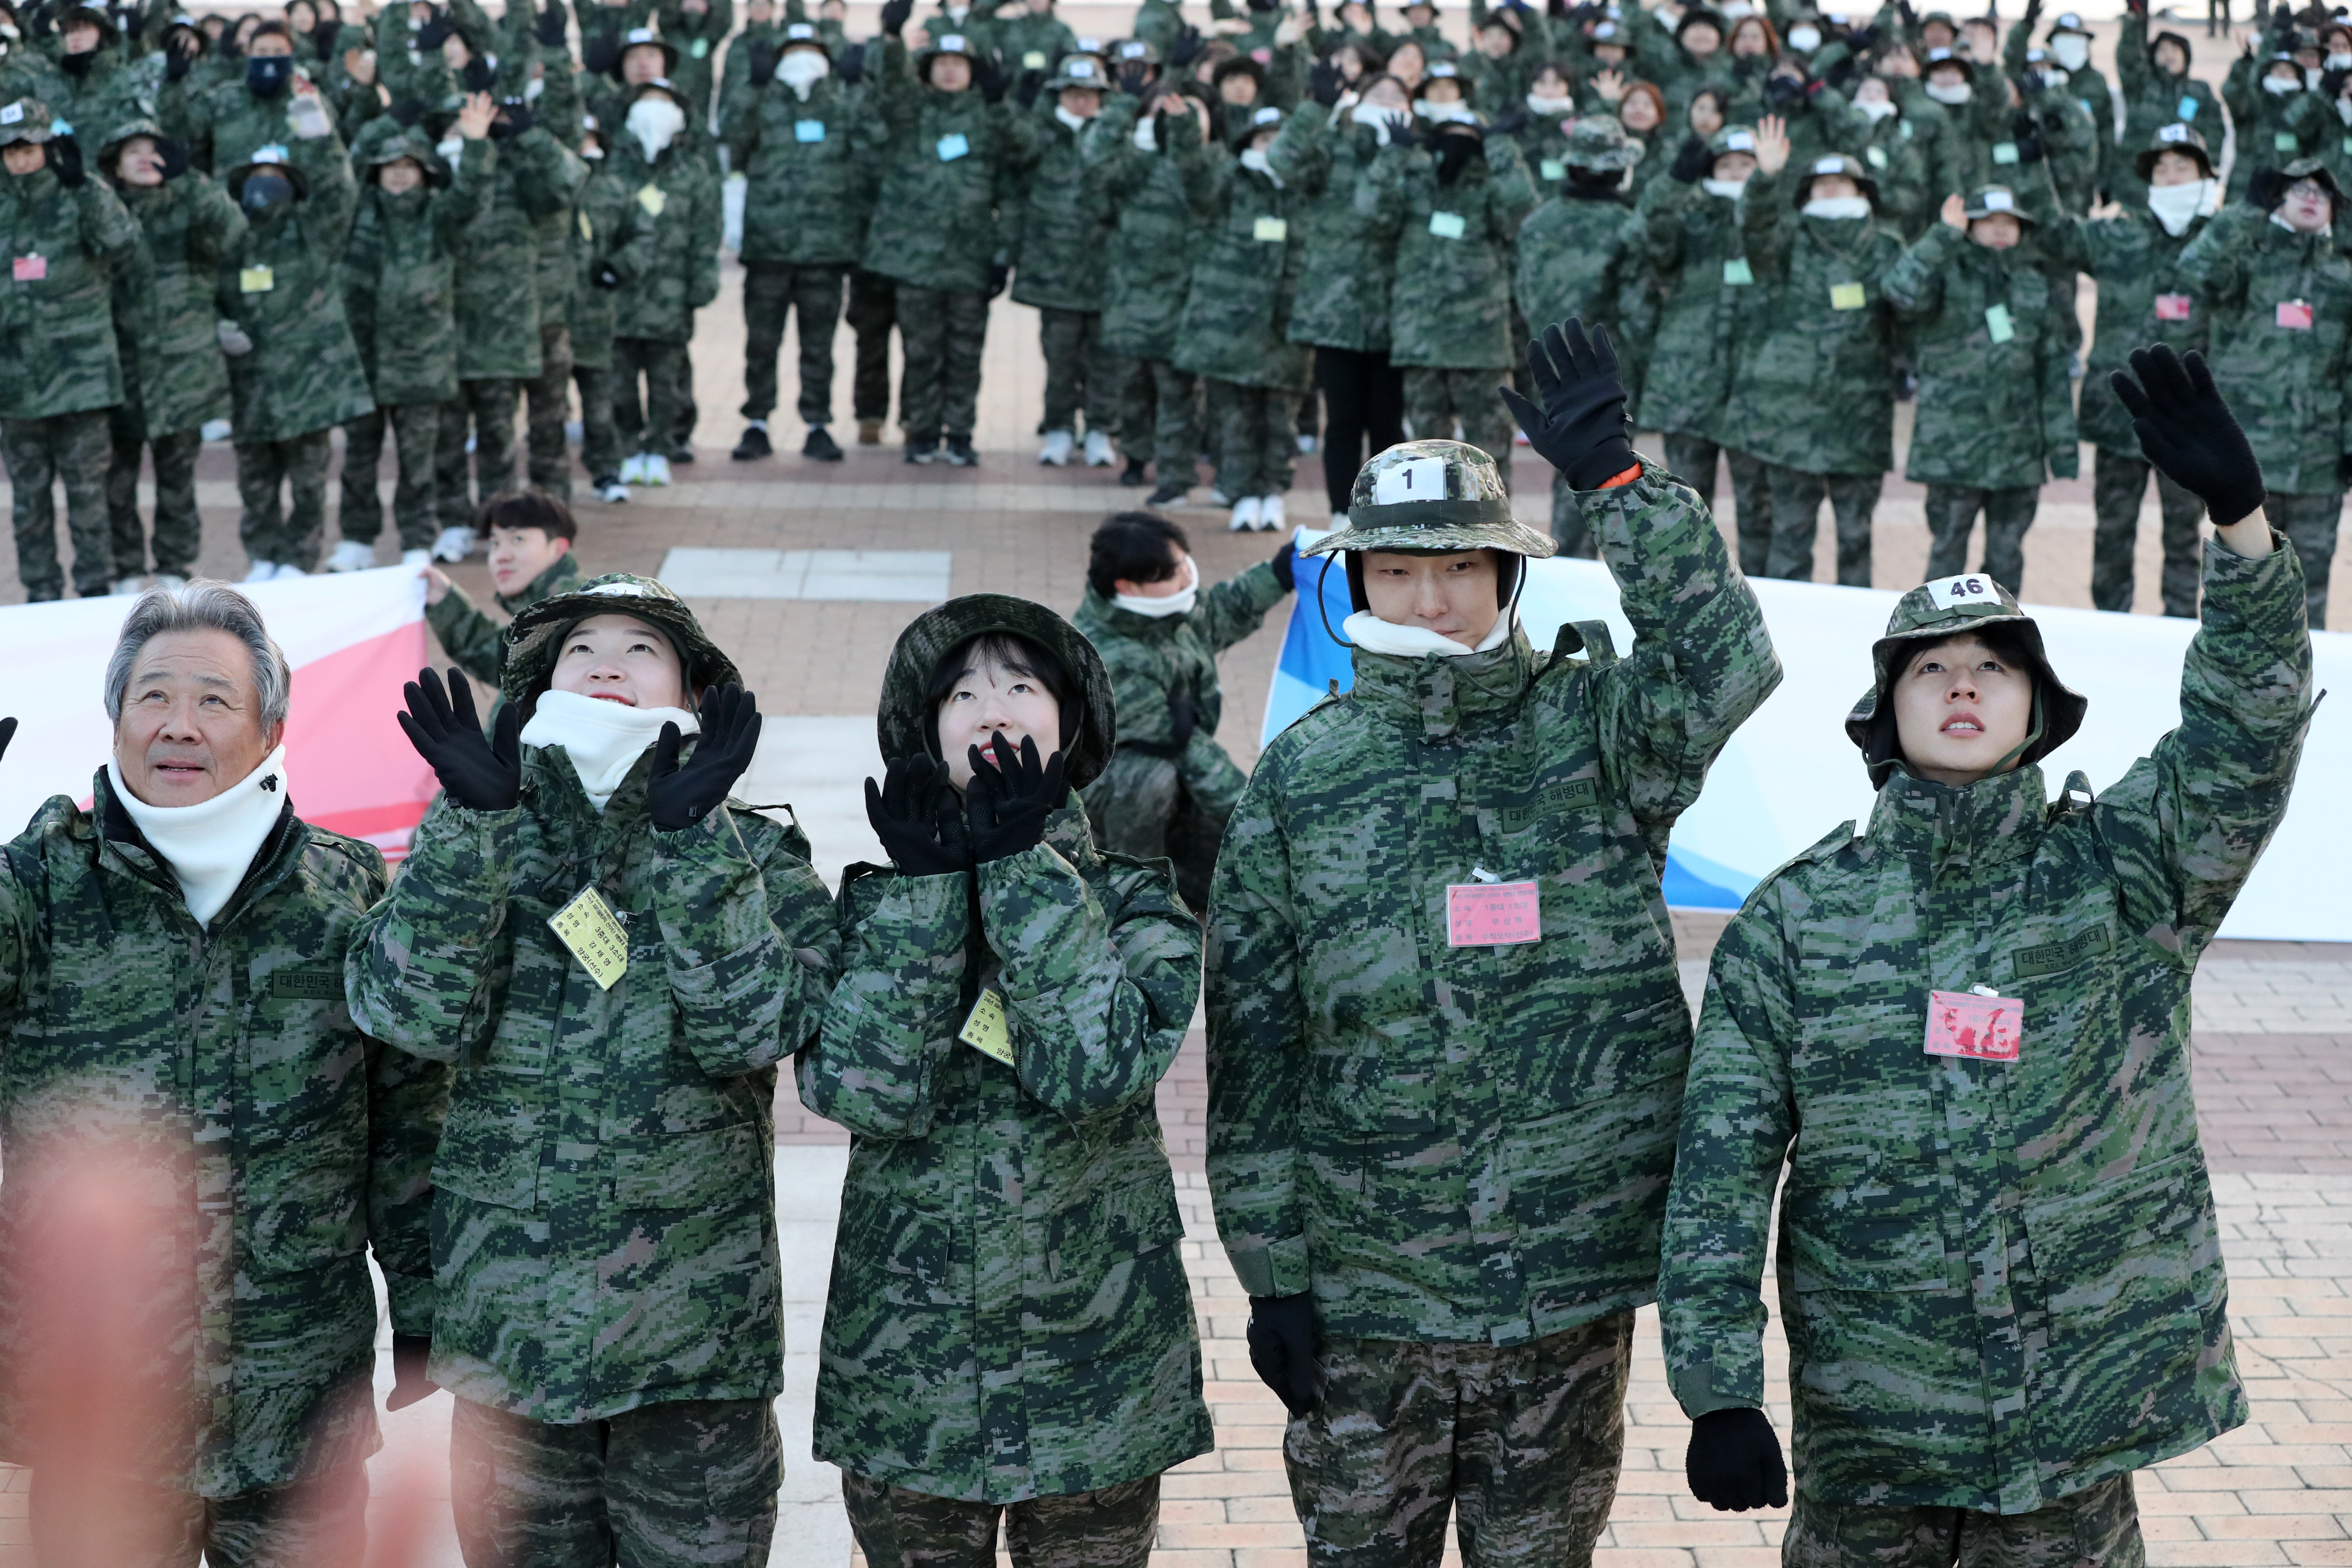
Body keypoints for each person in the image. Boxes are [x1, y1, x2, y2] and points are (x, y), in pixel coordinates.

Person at [1659, 343, 2311, 1567]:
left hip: (2076, 1405)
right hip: (1872, 1418)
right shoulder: (1797, 917)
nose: (1961, 686)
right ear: (1884, 715)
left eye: (1992, 667)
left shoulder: (2126, 870)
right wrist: (1716, 1387)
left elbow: (2245, 729)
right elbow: (1719, 1168)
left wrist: (2239, 531)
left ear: (2033, 708)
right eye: (1930, 669)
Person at [1206, 322, 1780, 1568]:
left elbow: (1725, 663)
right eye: (1400, 570)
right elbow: (1253, 1049)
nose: (1430, 596)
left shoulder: (1594, 727)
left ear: (1506, 576)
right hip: (1367, 1289)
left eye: (1462, 566)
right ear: (1355, 581)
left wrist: (1622, 494)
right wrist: (1272, 1269)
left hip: (1560, 1289)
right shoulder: (1305, 774)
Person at [350, 574, 831, 1568]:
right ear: (536, 690)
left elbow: (758, 1026)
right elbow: (407, 1012)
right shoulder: (486, 838)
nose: (607, 660)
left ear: (698, 701)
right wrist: (470, 825)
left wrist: (694, 840)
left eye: (641, 649)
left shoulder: (763, 858)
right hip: (513, 1347)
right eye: (582, 649)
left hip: (695, 1355)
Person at [0, 581, 447, 1564]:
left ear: (272, 726)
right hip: (100, 1412)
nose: (180, 725)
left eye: (214, 699)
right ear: (116, 716)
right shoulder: (35, 886)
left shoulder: (347, 891)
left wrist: (424, 1315)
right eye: (154, 696)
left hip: (296, 1413)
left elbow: (410, 1123)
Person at [799, 592, 1213, 1568]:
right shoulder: (876, 902)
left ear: (1069, 726)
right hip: (908, 1374)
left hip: (1099, 1368)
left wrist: (1023, 869)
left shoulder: (1139, 898)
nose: (992, 707)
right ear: (921, 727)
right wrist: (929, 892)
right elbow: (862, 1089)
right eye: (964, 692)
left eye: (1021, 686)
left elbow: (1094, 1070)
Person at [1073, 511, 1294, 912]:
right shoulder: (1111, 658)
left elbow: (1221, 610)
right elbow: (1192, 752)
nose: (1188, 578)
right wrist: (1257, 815)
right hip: (1115, 793)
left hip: (1177, 761)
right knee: (1151, 780)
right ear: (1129, 586)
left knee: (1229, 872)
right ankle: (1130, 893)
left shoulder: (1159, 609)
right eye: (1174, 573)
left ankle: (1186, 875)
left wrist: (1282, 570)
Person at [2039, 125, 2218, 617]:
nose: (2170, 174)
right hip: (2121, 414)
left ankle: (2180, 626)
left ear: (2205, 175)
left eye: (2182, 165)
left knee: (2184, 535)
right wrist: (2038, 167)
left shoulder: (2222, 241)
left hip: (2186, 417)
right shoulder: (2122, 233)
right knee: (2113, 529)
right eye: (2161, 168)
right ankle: (2110, 625)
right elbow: (2057, 237)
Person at [2177, 156, 2352, 628]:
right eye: (2300, 189)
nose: (2312, 197)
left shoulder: (2344, 277)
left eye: (2323, 191)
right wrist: (2248, 212)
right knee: (2240, 588)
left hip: (2319, 467)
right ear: (2278, 199)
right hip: (2249, 464)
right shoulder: (2247, 262)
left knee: (2308, 589)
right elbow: (2195, 269)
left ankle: (2297, 695)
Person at [1726, 123, 1904, 586]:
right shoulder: (1789, 240)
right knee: (1790, 534)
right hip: (1793, 419)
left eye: (1840, 182)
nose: (1830, 189)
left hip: (1859, 415)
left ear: (1860, 189)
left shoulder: (1885, 247)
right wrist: (1765, 179)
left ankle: (1860, 636)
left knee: (1855, 536)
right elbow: (1755, 229)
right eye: (1821, 184)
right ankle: (1787, 636)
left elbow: (1913, 307)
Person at [1882, 184, 2077, 597]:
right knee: (1946, 556)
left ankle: (2002, 647)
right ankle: (1932, 642)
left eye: (2010, 223)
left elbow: (2053, 371)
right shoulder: (1943, 274)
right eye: (1989, 223)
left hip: (2018, 450)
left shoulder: (2034, 283)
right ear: (1969, 227)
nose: (2001, 231)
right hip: (1953, 447)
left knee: (2007, 559)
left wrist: (2063, 452)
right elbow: (1900, 290)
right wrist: (1942, 235)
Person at [333, 103, 495, 573]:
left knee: (419, 460)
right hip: (363, 363)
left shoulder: (438, 219)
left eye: (409, 169)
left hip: (421, 366)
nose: (400, 177)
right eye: (390, 169)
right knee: (359, 458)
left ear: (424, 175)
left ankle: (418, 539)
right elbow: (337, 171)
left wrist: (477, 143)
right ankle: (357, 539)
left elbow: (471, 195)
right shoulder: (358, 217)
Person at [863, 4, 1015, 466]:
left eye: (959, 65)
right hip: (917, 260)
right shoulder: (914, 112)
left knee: (966, 355)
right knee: (921, 353)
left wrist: (999, 102)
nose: (951, 73)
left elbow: (1021, 155)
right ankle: (923, 432)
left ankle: (962, 433)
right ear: (929, 72)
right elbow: (889, 89)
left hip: (970, 259)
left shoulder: (987, 117)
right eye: (942, 65)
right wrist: (890, 39)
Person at [218, 141, 373, 582]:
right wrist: (219, 325)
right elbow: (202, 288)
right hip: (251, 384)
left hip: (309, 386)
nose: (264, 186)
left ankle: (299, 559)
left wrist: (322, 135)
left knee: (308, 481)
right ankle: (263, 554)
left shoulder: (314, 231)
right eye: (256, 176)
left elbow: (341, 192)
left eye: (276, 177)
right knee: (255, 480)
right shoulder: (230, 235)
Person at [2, 99, 138, 602]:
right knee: (29, 501)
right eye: (9, 150)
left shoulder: (80, 192)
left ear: (47, 146)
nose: (18, 159)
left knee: (88, 495)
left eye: (27, 148)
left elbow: (124, 244)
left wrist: (87, 189)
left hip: (81, 378)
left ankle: (96, 591)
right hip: (16, 383)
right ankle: (41, 594)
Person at [724, 21, 879, 464]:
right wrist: (752, 86)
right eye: (792, 51)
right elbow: (733, 134)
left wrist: (859, 86)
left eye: (811, 50)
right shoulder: (764, 100)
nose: (802, 59)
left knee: (819, 345)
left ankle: (818, 423)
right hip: (768, 247)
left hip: (825, 251)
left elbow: (873, 145)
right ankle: (757, 422)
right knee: (762, 342)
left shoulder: (841, 103)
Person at [100, 118, 240, 596]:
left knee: (177, 479)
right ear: (115, 165)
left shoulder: (190, 203)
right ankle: (124, 567)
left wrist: (191, 179)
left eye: (154, 149)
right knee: (116, 480)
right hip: (120, 372)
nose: (145, 157)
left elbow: (229, 229)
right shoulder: (105, 210)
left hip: (184, 373)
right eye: (132, 150)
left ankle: (175, 566)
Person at [1365, 105, 1538, 485]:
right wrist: (1393, 154)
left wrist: (1503, 147)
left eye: (1469, 136)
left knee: (1490, 448)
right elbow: (1369, 213)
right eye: (1449, 134)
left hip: (1481, 340)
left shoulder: (1490, 186)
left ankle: (1494, 527)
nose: (1457, 144)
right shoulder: (1413, 183)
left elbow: (1524, 215)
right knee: (1425, 450)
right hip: (1421, 340)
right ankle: (1432, 526)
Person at [1268, 65, 1411, 524]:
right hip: (1336, 310)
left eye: (1398, 95)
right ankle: (1340, 513)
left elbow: (1390, 216)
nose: (1388, 100)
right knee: (1344, 421)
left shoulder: (1416, 153)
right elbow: (1283, 160)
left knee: (1388, 424)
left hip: (1395, 312)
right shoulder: (1334, 146)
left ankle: (1388, 509)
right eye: (1379, 91)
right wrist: (1316, 107)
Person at [1635, 122, 1772, 575]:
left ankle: (1765, 594)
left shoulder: (1777, 216)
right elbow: (1651, 235)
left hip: (1757, 381)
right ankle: (1692, 596)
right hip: (1689, 380)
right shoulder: (1689, 214)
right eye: (1726, 165)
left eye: (1746, 164)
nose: (1736, 173)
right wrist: (1675, 179)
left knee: (1759, 503)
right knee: (1688, 502)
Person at [1513, 113, 1647, 554]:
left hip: (1550, 361)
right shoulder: (1628, 226)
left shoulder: (1537, 223)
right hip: (1613, 366)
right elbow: (1638, 308)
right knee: (1614, 463)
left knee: (1568, 461)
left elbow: (1525, 295)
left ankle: (1567, 557)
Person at [1174, 104, 1311, 531]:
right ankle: (1240, 493)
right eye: (1263, 138)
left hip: (1286, 323)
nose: (1271, 148)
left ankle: (1272, 491)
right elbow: (1195, 180)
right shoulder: (1230, 181)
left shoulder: (1304, 187)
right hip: (1230, 323)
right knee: (1233, 417)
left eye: (1279, 139)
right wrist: (1183, 128)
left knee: (1278, 418)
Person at [1095, 81, 1216, 507]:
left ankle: (1175, 476)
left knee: (1178, 395)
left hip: (1182, 296)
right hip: (1133, 294)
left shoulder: (1208, 166)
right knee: (1132, 387)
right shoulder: (1140, 164)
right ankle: (1135, 456)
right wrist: (1134, 116)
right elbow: (1099, 173)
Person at [610, 77, 720, 488]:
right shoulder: (613, 165)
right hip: (620, 294)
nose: (654, 110)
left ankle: (659, 446)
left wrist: (702, 282)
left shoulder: (692, 169)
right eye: (646, 102)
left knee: (666, 381)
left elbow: (707, 230)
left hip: (671, 295)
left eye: (663, 102)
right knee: (618, 379)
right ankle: (626, 446)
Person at [1014, 55, 1122, 469]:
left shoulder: (1113, 135)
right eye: (1073, 94)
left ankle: (1099, 430)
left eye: (1089, 95)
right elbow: (1015, 150)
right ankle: (1058, 428)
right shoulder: (1041, 134)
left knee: (1104, 360)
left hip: (1105, 270)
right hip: (1055, 271)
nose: (1081, 102)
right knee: (1060, 358)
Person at [423, 489, 589, 711]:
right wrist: (445, 601)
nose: (501, 556)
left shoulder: (568, 615)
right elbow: (502, 662)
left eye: (518, 539)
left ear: (558, 549)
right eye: (495, 544)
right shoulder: (548, 611)